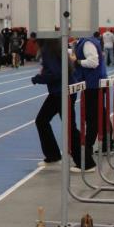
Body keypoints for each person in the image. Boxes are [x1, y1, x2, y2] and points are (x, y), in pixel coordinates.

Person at [31, 38, 81, 170]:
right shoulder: (55, 46)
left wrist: (38, 79)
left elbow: (55, 74)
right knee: (42, 120)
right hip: (61, 91)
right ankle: (53, 156)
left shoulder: (48, 49)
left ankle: (85, 163)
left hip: (61, 92)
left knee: (69, 127)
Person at [70, 33, 107, 172]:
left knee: (91, 117)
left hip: (93, 84)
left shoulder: (87, 43)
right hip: (93, 82)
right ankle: (107, 142)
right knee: (100, 114)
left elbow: (93, 62)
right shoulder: (84, 42)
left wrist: (77, 61)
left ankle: (88, 146)